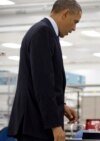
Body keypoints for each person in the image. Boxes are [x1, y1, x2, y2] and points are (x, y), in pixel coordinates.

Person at [7, 0, 82, 141]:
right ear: (65, 14)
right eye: (75, 22)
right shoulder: (43, 32)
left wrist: (61, 105)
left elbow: (45, 80)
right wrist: (54, 125)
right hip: (36, 125)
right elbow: (43, 84)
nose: (74, 28)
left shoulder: (45, 32)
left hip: (35, 122)